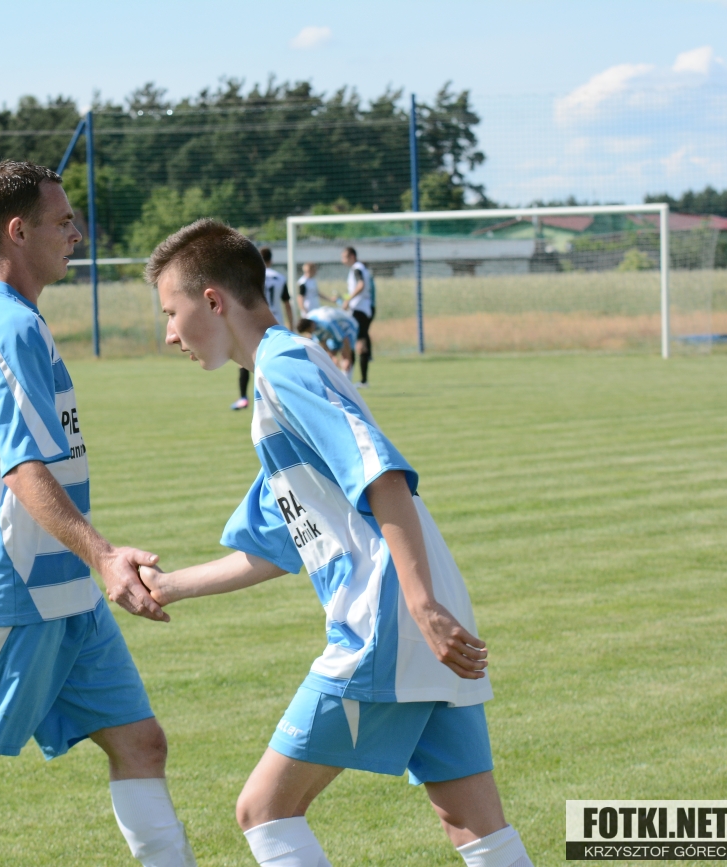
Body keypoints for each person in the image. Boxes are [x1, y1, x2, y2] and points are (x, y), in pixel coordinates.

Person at [141, 219, 533, 867]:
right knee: (471, 823)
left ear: (211, 300)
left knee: (264, 809)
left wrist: (419, 605)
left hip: (389, 620)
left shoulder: (283, 369)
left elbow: (382, 476)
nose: (169, 334)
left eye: (170, 312)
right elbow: (276, 545)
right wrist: (167, 586)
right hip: (424, 617)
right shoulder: (286, 375)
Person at [0, 160, 196, 867]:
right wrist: (104, 556)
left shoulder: (10, 322)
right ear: (17, 231)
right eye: (63, 222)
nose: (76, 234)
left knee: (140, 743)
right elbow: (23, 470)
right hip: (20, 585)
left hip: (65, 588)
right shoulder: (7, 328)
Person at [234, 246, 294, 411]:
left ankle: (243, 398)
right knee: (275, 360)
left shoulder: (251, 276)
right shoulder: (280, 278)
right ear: (271, 260)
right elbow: (287, 304)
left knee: (245, 360)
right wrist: (291, 325)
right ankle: (279, 397)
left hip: (254, 323)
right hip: (275, 323)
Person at [341, 246, 374, 388]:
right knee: (360, 343)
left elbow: (361, 285)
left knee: (356, 344)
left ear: (352, 256)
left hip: (359, 310)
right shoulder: (360, 268)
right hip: (363, 309)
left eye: (344, 257)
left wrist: (348, 300)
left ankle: (351, 380)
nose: (343, 260)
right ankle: (362, 380)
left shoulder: (356, 269)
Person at [294, 305, 357, 377]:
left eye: (309, 331)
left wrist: (348, 358)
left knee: (345, 357)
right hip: (333, 332)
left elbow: (344, 339)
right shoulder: (311, 323)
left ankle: (347, 379)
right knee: (330, 359)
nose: (309, 333)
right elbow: (323, 343)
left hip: (348, 326)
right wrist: (333, 358)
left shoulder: (326, 322)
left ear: (311, 325)